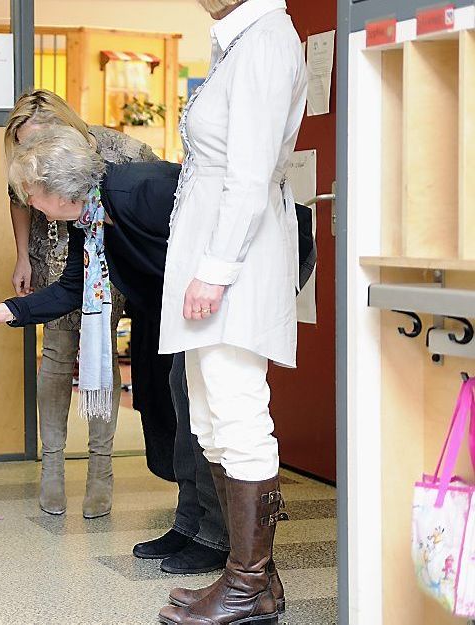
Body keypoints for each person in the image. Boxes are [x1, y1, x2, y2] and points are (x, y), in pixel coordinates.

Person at [0, 122, 313, 622]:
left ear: (57, 189)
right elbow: (72, 288)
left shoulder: (141, 191)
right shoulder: (90, 216)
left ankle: (230, 556)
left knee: (220, 414)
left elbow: (229, 226)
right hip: (186, 304)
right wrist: (4, 311)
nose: (29, 203)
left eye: (31, 193)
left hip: (252, 273)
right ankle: (204, 536)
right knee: (186, 405)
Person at [154, 0, 307, 622]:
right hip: (213, 251)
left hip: (234, 257)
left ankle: (246, 586)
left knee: (239, 414)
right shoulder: (237, 42)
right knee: (213, 419)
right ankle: (251, 581)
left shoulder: (268, 40)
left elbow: (247, 175)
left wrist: (215, 272)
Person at [4, 89, 164, 521]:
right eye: (24, 142)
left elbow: (159, 189)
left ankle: (101, 468)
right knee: (56, 353)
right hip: (53, 250)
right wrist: (22, 255)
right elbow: (18, 199)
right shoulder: (25, 163)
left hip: (104, 255)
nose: (30, 148)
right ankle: (52, 465)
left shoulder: (113, 149)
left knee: (99, 350)